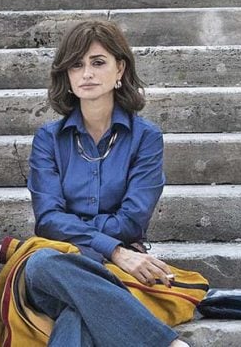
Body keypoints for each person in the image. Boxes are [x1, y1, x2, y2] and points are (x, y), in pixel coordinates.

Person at [25, 20, 190, 346]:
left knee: (77, 313)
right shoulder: (48, 139)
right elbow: (48, 220)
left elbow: (132, 220)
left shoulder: (145, 138)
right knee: (40, 263)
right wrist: (114, 249)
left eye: (97, 62)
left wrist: (84, 233)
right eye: (76, 65)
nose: (86, 73)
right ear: (67, 75)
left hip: (119, 269)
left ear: (120, 69)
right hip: (62, 265)